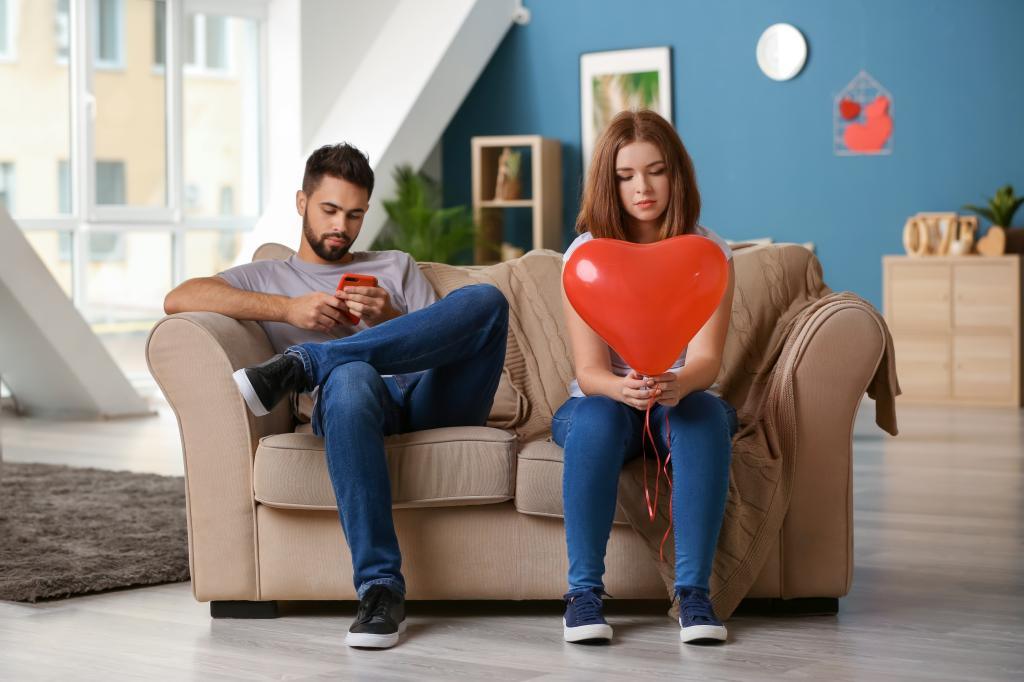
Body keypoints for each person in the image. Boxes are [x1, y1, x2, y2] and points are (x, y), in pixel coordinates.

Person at [164, 143, 509, 649]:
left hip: (433, 402)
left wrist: (390, 318)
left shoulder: (396, 266)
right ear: (301, 202)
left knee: (486, 299)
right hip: (353, 406)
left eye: (354, 215)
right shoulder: (271, 277)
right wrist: (288, 311)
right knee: (348, 376)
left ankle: (305, 363)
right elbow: (180, 298)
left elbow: (450, 341)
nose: (340, 226)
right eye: (329, 210)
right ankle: (380, 588)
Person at [554, 111, 738, 645]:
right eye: (626, 176)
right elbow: (590, 372)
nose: (643, 188)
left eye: (656, 171)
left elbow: (707, 361)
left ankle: (694, 595)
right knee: (596, 417)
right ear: (607, 183)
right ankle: (583, 595)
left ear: (676, 174)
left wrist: (679, 383)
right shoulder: (584, 256)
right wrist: (622, 389)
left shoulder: (711, 253)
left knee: (703, 414)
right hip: (606, 401)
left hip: (678, 397)